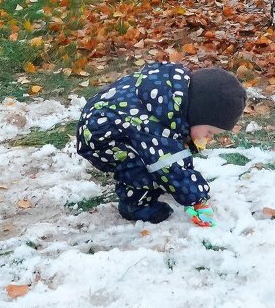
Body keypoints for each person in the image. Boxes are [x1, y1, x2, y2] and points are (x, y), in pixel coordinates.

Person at [76, 63, 246, 225]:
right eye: (209, 132)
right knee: (150, 163)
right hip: (100, 137)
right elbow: (170, 165)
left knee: (159, 152)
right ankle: (134, 205)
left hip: (111, 119)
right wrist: (197, 199)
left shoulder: (169, 98)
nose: (208, 138)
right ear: (198, 113)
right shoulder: (153, 125)